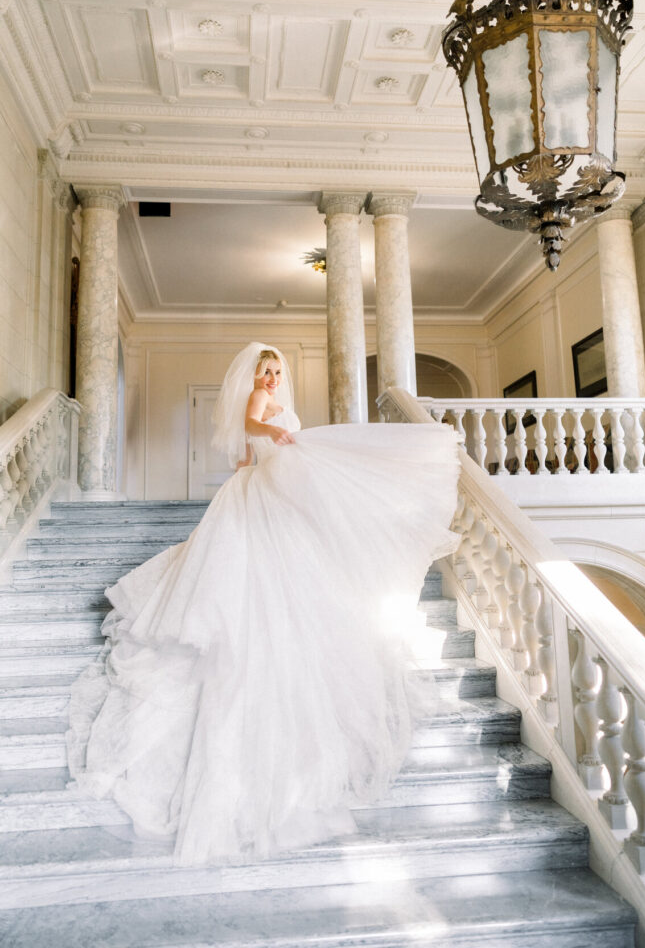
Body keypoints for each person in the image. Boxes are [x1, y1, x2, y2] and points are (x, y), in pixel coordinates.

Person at [67, 342, 460, 866]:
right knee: (248, 585)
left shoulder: (272, 399)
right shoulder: (257, 399)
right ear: (253, 374)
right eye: (265, 370)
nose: (272, 378)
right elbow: (253, 427)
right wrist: (273, 432)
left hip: (267, 490)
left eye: (277, 371)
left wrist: (265, 446)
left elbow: (244, 450)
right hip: (259, 497)